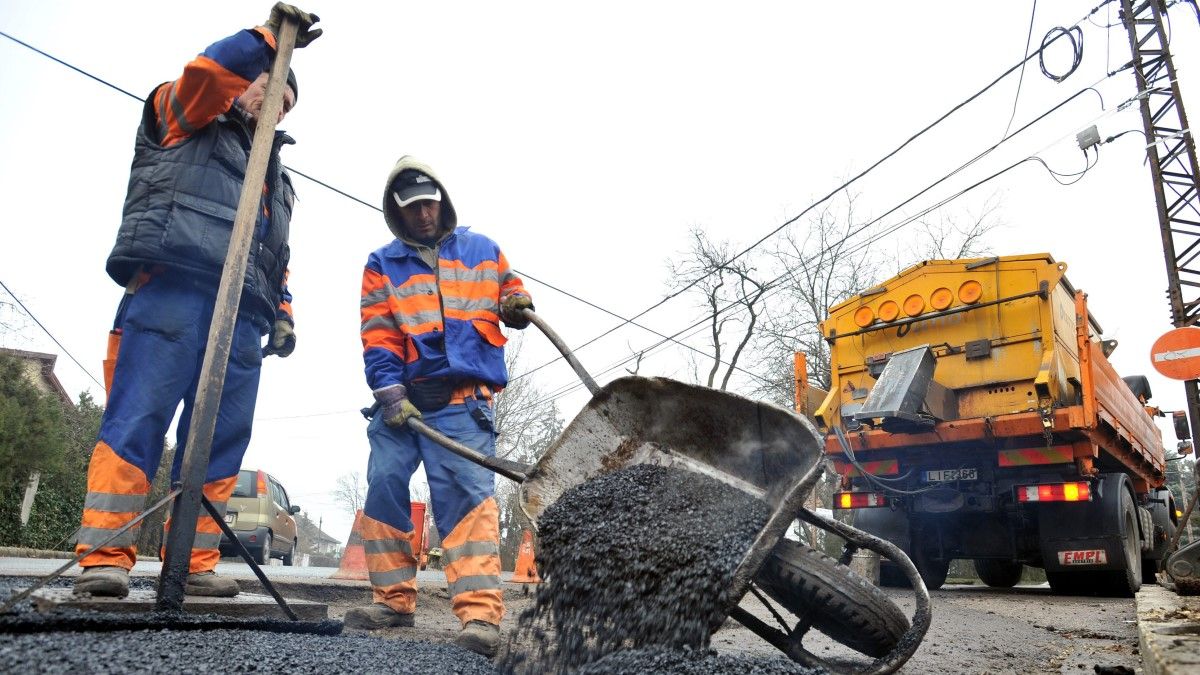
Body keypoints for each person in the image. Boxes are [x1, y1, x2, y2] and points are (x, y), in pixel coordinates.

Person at [72, 3, 321, 599]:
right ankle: (105, 555)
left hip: (241, 315)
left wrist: (282, 312)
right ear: (249, 80)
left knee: (221, 436)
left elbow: (274, 254)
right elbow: (212, 71)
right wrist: (268, 41)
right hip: (171, 292)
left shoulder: (277, 180)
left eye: (287, 105)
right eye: (271, 89)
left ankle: (193, 559)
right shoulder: (181, 118)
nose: (276, 106)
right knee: (138, 417)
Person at [344, 156, 534, 658]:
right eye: (412, 208)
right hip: (402, 404)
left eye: (428, 204)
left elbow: (510, 288)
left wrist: (516, 302)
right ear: (397, 211)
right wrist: (391, 396)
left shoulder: (482, 250)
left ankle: (479, 616)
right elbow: (379, 336)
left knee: (467, 500)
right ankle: (393, 601)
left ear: (441, 200)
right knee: (384, 483)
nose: (423, 214)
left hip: (462, 404)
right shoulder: (382, 264)